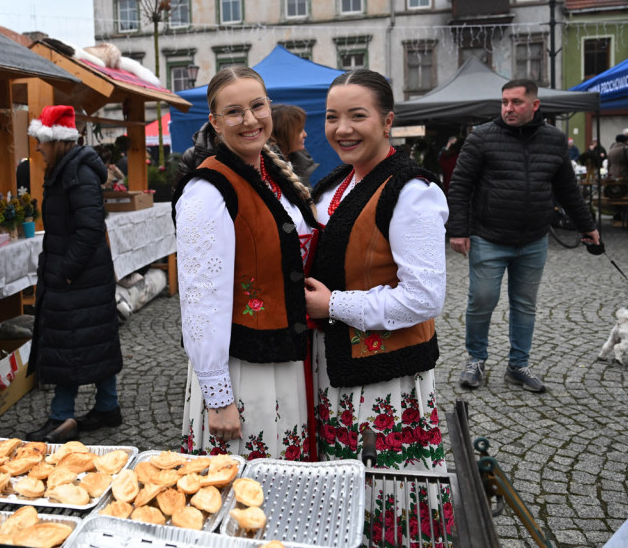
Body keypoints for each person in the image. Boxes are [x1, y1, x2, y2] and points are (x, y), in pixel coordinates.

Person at [303, 69, 447, 470]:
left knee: (383, 484)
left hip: (383, 377)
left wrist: (332, 305)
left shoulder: (413, 192)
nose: (342, 129)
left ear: (388, 121)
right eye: (332, 117)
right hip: (335, 364)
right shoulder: (336, 183)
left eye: (357, 116)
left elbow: (424, 298)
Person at [173, 66, 318, 459]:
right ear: (215, 123)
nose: (250, 119)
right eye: (234, 112)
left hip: (284, 354)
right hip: (245, 365)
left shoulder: (271, 173)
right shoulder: (206, 191)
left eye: (257, 106)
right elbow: (200, 299)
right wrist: (219, 398)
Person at [448, 79, 599, 393]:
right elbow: (460, 186)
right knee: (482, 300)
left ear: (535, 105)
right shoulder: (482, 138)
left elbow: (568, 190)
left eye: (516, 102)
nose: (508, 108)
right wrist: (458, 230)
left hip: (533, 239)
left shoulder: (555, 140)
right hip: (488, 236)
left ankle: (518, 364)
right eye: (504, 102)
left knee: (525, 305)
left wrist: (588, 226)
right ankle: (476, 358)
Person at [25, 105, 122, 444]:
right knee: (94, 339)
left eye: (41, 140)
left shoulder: (75, 173)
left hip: (78, 274)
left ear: (57, 141)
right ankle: (107, 406)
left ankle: (60, 416)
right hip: (83, 273)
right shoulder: (67, 169)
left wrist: (65, 272)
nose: (37, 147)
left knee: (70, 342)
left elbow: (89, 229)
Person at [269, 103, 319, 184]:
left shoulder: (299, 163)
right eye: (299, 130)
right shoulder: (266, 172)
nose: (305, 134)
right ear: (283, 133)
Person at [607, 134, 628, 222]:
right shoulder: (625, 148)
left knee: (616, 194)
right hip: (624, 173)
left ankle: (617, 213)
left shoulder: (612, 149)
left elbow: (609, 163)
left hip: (613, 173)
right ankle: (626, 214)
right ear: (625, 141)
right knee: (626, 193)